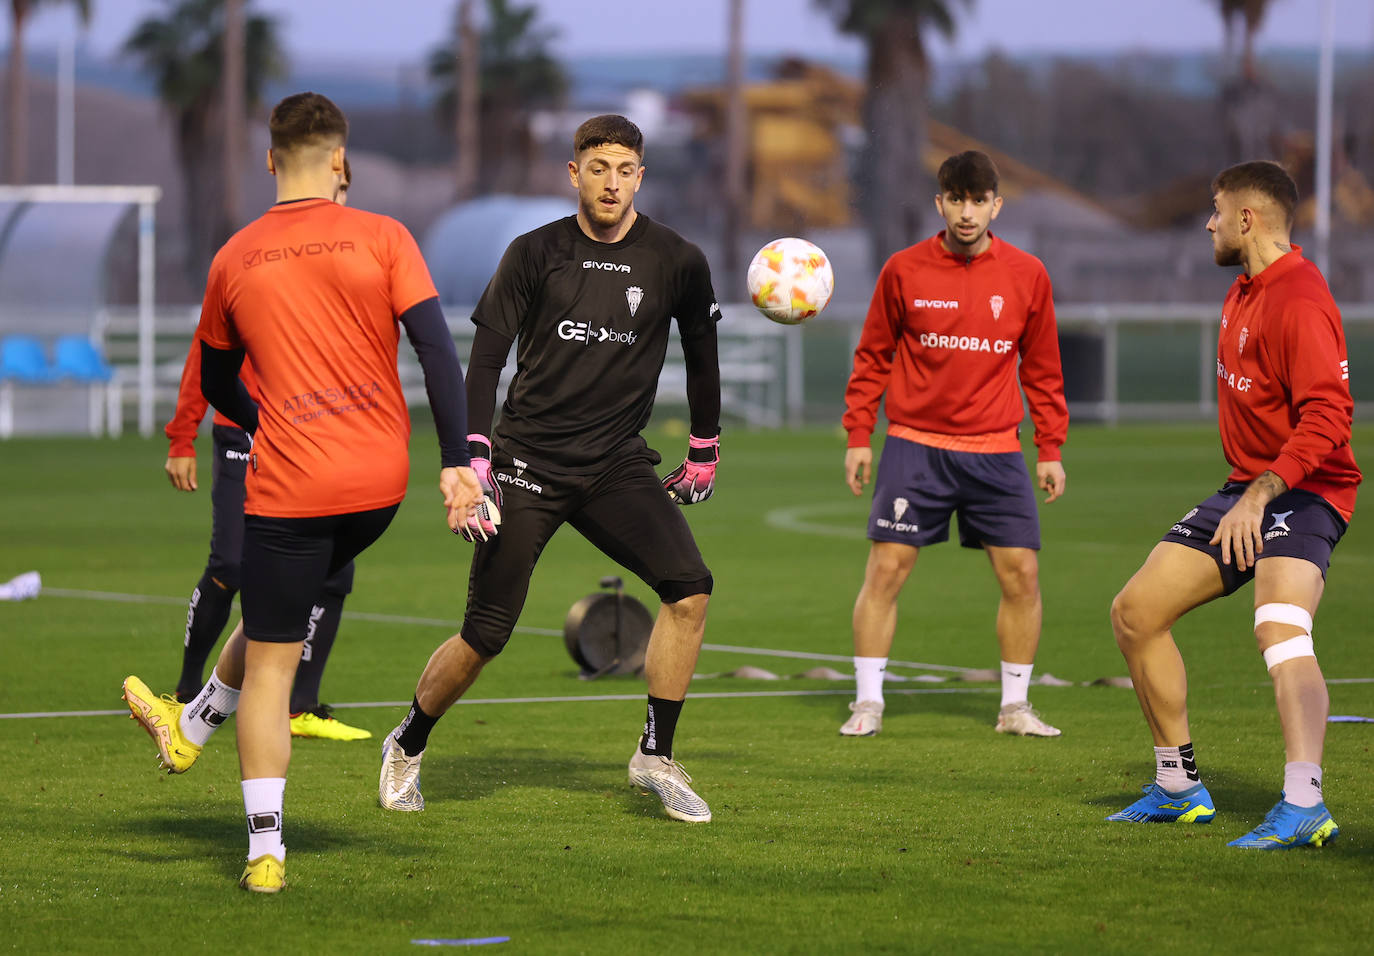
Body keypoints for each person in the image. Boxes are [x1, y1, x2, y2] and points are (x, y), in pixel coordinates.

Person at [122, 92, 481, 893]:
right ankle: (191, 725)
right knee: (276, 614)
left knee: (276, 663)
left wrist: (264, 416)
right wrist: (458, 459)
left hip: (293, 483)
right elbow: (436, 354)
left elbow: (215, 377)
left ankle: (263, 851)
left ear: (270, 161)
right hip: (379, 488)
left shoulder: (233, 257)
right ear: (342, 161)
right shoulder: (387, 236)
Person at [377, 113, 722, 824]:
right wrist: (476, 458)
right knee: (487, 634)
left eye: (626, 170)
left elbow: (702, 353)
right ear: (574, 174)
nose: (612, 183)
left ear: (640, 177)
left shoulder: (677, 260)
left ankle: (655, 755)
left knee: (689, 589)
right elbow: (486, 358)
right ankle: (407, 743)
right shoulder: (534, 253)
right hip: (527, 463)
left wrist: (704, 447)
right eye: (598, 168)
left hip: (616, 464)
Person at [1107, 160, 1358, 849]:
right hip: (1247, 489)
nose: (1209, 223)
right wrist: (1248, 492)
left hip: (1305, 492)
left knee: (1280, 627)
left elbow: (1331, 417)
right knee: (1135, 614)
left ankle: (1305, 803)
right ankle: (1177, 788)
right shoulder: (1244, 290)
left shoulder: (1299, 298)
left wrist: (1264, 492)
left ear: (1248, 218)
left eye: (1216, 211)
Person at [839, 150, 1068, 739]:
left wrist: (1051, 448)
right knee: (885, 570)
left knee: (1022, 576)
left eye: (978, 200)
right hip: (915, 447)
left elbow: (1043, 369)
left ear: (996, 204)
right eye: (956, 200)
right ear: (939, 203)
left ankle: (1015, 707)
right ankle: (868, 703)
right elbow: (872, 357)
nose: (967, 213)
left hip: (996, 450)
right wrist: (859, 435)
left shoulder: (1028, 275)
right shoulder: (903, 270)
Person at [158, 162, 368, 741]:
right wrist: (183, 436)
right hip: (245, 435)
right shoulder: (255, 256)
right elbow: (207, 356)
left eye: (346, 189)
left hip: (319, 443)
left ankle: (301, 707)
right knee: (230, 564)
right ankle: (182, 693)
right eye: (335, 184)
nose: (338, 197)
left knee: (333, 573)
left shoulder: (355, 262)